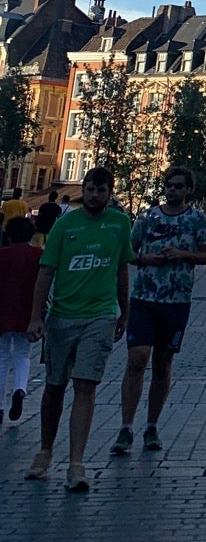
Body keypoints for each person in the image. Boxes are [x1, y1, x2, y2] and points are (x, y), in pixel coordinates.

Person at [24, 166, 132, 492]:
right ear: (82, 191)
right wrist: (35, 316)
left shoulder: (120, 224)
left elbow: (122, 269)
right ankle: (45, 450)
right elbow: (46, 272)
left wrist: (123, 313)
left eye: (101, 191)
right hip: (61, 316)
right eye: (90, 190)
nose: (94, 196)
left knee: (85, 385)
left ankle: (76, 464)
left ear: (109, 193)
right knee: (55, 387)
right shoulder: (64, 225)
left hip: (100, 316)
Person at [113, 165, 206, 457]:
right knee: (137, 358)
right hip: (144, 297)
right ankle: (126, 426)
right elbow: (128, 253)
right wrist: (147, 258)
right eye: (169, 185)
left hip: (177, 300)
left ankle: (152, 425)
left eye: (179, 186)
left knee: (163, 363)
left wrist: (184, 255)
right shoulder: (147, 217)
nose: (173, 190)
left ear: (188, 190)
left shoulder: (196, 219)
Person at [0, 213, 41, 426]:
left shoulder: (2, 255)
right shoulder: (37, 255)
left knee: (2, 355)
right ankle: (20, 389)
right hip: (28, 310)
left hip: (3, 310)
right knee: (23, 353)